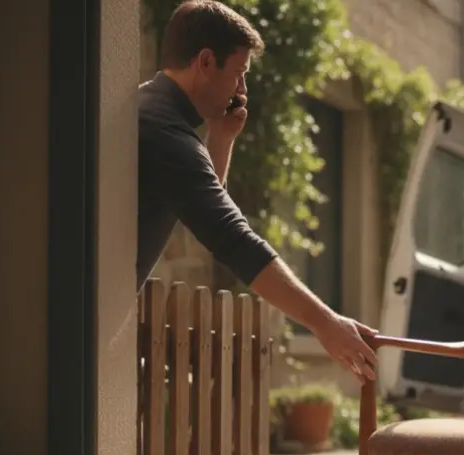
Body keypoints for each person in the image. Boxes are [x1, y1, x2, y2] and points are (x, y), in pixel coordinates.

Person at [138, 0, 377, 382]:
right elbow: (232, 238)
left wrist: (221, 138)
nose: (242, 89)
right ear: (205, 62)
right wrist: (326, 323)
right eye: (239, 73)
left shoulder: (153, 109)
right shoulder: (168, 134)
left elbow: (202, 213)